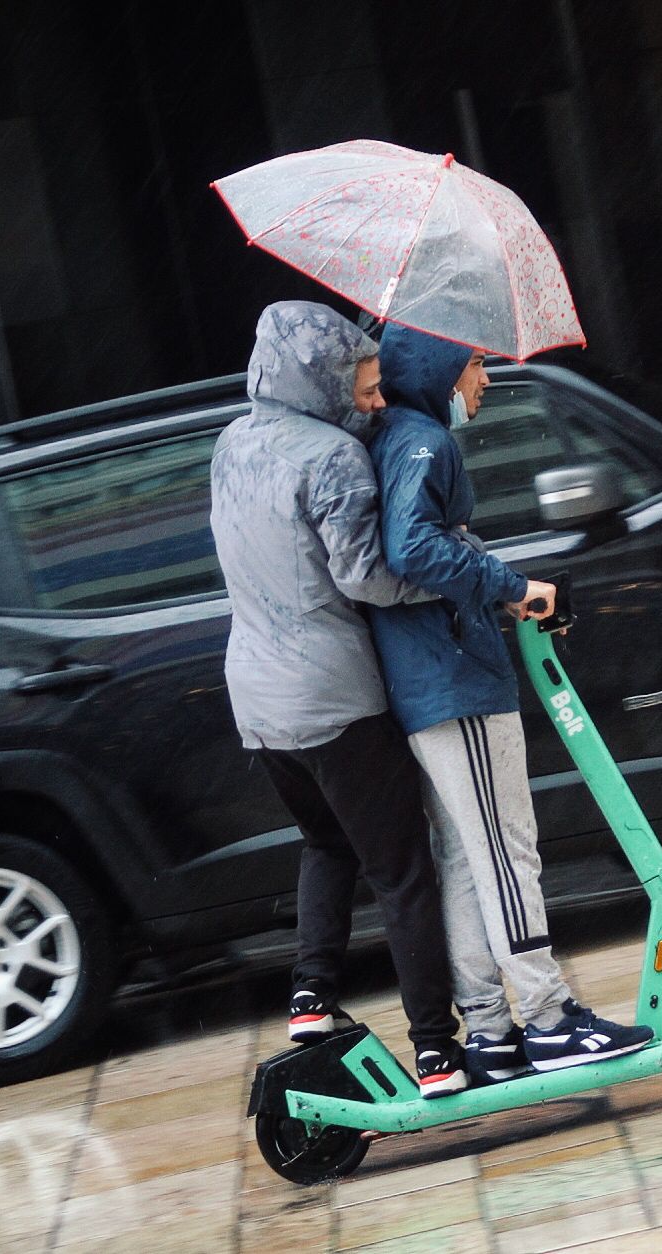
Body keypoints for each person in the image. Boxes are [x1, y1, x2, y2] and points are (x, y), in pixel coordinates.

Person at [368, 323, 652, 1082]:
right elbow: (414, 548)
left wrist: (495, 586)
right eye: (477, 363)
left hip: (431, 681)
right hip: (455, 680)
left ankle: (492, 1032)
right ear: (439, 369)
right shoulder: (426, 442)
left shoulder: (399, 435)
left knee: (466, 855)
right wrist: (512, 585)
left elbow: (422, 550)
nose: (486, 379)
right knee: (504, 849)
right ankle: (550, 1016)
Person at [210, 301, 466, 1097]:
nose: (378, 402)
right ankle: (436, 1052)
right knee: (403, 871)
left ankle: (311, 999)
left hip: (256, 701)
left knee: (326, 844)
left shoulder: (230, 443)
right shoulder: (332, 459)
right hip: (331, 698)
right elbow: (364, 577)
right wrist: (452, 573)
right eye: (362, 391)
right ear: (320, 386)